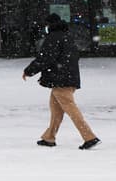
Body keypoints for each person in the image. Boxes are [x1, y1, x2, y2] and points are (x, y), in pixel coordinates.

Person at [23, 13, 101, 150]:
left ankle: (89, 137)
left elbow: (45, 58)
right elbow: (74, 57)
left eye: (46, 25)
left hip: (61, 80)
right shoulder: (67, 37)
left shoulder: (53, 38)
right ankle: (49, 138)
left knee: (71, 109)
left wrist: (29, 71)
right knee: (56, 110)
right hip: (66, 78)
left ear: (49, 25)